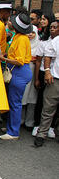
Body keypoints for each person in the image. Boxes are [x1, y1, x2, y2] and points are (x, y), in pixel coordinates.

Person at [0, 9, 33, 140]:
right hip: (17, 71)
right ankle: (11, 126)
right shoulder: (17, 37)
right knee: (12, 101)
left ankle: (13, 132)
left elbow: (19, 61)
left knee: (15, 102)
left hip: (19, 71)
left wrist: (4, 59)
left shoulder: (22, 39)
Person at [34, 19, 59, 147]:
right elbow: (47, 56)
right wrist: (48, 71)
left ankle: (54, 130)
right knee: (48, 107)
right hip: (55, 79)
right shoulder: (55, 41)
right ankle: (41, 133)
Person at [21, 25, 40, 131]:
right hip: (24, 72)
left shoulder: (39, 45)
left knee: (32, 98)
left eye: (33, 33)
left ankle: (29, 122)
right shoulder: (23, 43)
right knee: (22, 96)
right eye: (29, 32)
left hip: (34, 74)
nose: (30, 35)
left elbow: (39, 59)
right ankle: (20, 120)